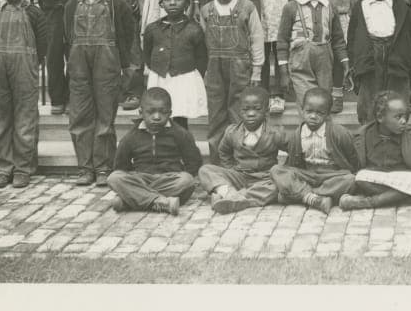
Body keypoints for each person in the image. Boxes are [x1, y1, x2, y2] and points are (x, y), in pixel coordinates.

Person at [62, 0, 137, 186]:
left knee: (105, 116)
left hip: (108, 64)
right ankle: (85, 167)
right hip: (79, 65)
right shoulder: (72, 4)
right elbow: (67, 37)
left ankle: (104, 167)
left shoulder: (118, 4)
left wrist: (128, 70)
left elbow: (128, 38)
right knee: (80, 116)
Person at [0, 0, 48, 189]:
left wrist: (30, 63)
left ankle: (23, 168)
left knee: (25, 118)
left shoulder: (34, 13)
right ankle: (4, 168)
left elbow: (42, 44)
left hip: (25, 68)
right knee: (0, 118)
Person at [197, 0, 265, 153]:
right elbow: (203, 43)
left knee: (239, 112)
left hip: (240, 67)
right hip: (214, 68)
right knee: (216, 113)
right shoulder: (206, 10)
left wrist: (257, 70)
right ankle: (218, 157)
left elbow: (256, 38)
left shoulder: (247, 7)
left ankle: (241, 156)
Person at [348, 0, 411, 124]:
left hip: (396, 59)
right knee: (369, 105)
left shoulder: (403, 8)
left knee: (396, 103)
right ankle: (370, 139)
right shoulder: (360, 8)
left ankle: (396, 139)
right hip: (370, 60)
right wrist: (354, 66)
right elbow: (352, 40)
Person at [107, 88, 201, 215]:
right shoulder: (131, 136)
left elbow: (194, 162)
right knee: (114, 178)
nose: (156, 117)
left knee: (187, 180)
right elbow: (120, 165)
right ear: (141, 112)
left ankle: (132, 199)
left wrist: (177, 173)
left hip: (169, 179)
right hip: (141, 179)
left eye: (163, 112)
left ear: (170, 113)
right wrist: (135, 178)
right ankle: (161, 202)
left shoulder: (180, 134)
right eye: (150, 112)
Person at [198, 86, 287, 214]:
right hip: (239, 176)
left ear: (266, 110)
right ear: (240, 111)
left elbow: (292, 150)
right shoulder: (232, 132)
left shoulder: (276, 133)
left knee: (277, 187)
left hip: (264, 178)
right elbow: (223, 151)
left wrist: (282, 170)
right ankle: (231, 194)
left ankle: (231, 197)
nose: (251, 114)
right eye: (246, 109)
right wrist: (231, 168)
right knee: (205, 170)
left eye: (257, 109)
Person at [270, 87, 359, 214]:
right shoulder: (297, 134)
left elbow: (352, 157)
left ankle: (302, 195)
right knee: (276, 170)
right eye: (309, 111)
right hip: (306, 173)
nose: (313, 116)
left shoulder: (339, 133)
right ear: (302, 110)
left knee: (350, 180)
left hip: (331, 175)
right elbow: (291, 162)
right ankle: (316, 198)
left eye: (319, 113)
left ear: (328, 114)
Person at [278, 0, 349, 113]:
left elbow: (338, 40)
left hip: (325, 62)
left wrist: (345, 62)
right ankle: (306, 133)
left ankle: (322, 135)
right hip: (300, 61)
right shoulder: (291, 8)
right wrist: (283, 72)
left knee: (323, 101)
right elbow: (282, 41)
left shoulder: (330, 7)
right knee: (307, 103)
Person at [342, 91, 411, 210]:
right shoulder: (363, 137)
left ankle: (369, 202)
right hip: (376, 177)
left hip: (403, 178)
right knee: (359, 177)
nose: (403, 121)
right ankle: (409, 198)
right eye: (398, 117)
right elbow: (354, 163)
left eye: (405, 116)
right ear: (380, 117)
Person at [142, 0, 208, 128]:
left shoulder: (194, 29)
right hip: (160, 78)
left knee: (179, 118)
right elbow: (147, 54)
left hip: (183, 79)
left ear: (187, 3)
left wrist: (190, 75)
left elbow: (201, 58)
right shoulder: (152, 29)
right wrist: (157, 69)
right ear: (161, 3)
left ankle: (182, 147)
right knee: (160, 115)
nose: (172, 3)